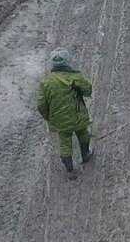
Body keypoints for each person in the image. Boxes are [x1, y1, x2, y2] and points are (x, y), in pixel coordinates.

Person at [37, 49, 93, 180]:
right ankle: (85, 154)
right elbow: (88, 90)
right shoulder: (75, 77)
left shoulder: (46, 83)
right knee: (83, 133)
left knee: (64, 142)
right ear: (67, 62)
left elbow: (41, 104)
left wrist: (48, 116)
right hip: (78, 116)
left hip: (60, 120)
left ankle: (69, 169)